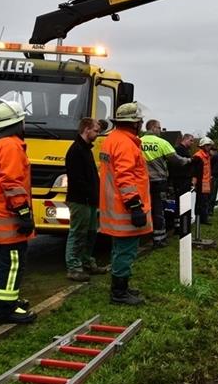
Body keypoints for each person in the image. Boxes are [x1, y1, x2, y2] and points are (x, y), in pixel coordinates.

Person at [0, 100, 37, 325]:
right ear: (17, 122)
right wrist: (23, 212)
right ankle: (5, 310)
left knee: (8, 261)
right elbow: (12, 183)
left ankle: (6, 301)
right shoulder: (11, 146)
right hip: (9, 215)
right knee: (13, 261)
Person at [99, 102, 152, 305]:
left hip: (114, 206)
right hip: (125, 209)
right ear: (135, 123)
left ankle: (121, 287)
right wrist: (135, 205)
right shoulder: (126, 144)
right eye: (140, 121)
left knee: (119, 249)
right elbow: (125, 177)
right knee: (126, 250)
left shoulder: (112, 140)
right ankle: (119, 293)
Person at [64, 118, 108, 281]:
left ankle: (86, 261)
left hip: (89, 200)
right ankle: (74, 267)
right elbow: (77, 179)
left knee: (90, 234)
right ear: (86, 129)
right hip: (80, 200)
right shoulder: (76, 151)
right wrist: (91, 194)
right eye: (96, 131)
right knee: (78, 233)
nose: (98, 134)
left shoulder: (86, 150)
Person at [140, 119, 190, 248]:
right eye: (159, 128)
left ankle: (142, 236)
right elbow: (176, 160)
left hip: (141, 181)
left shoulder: (137, 142)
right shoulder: (162, 142)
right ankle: (159, 238)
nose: (161, 131)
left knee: (143, 208)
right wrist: (189, 160)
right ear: (154, 128)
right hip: (158, 181)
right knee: (158, 209)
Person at [191, 137, 214, 225]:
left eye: (209, 145)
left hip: (206, 182)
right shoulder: (198, 156)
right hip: (201, 182)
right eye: (207, 145)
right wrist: (194, 181)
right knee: (200, 201)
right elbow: (194, 171)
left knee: (205, 201)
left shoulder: (207, 156)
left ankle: (203, 218)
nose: (209, 147)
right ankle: (200, 218)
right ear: (202, 146)